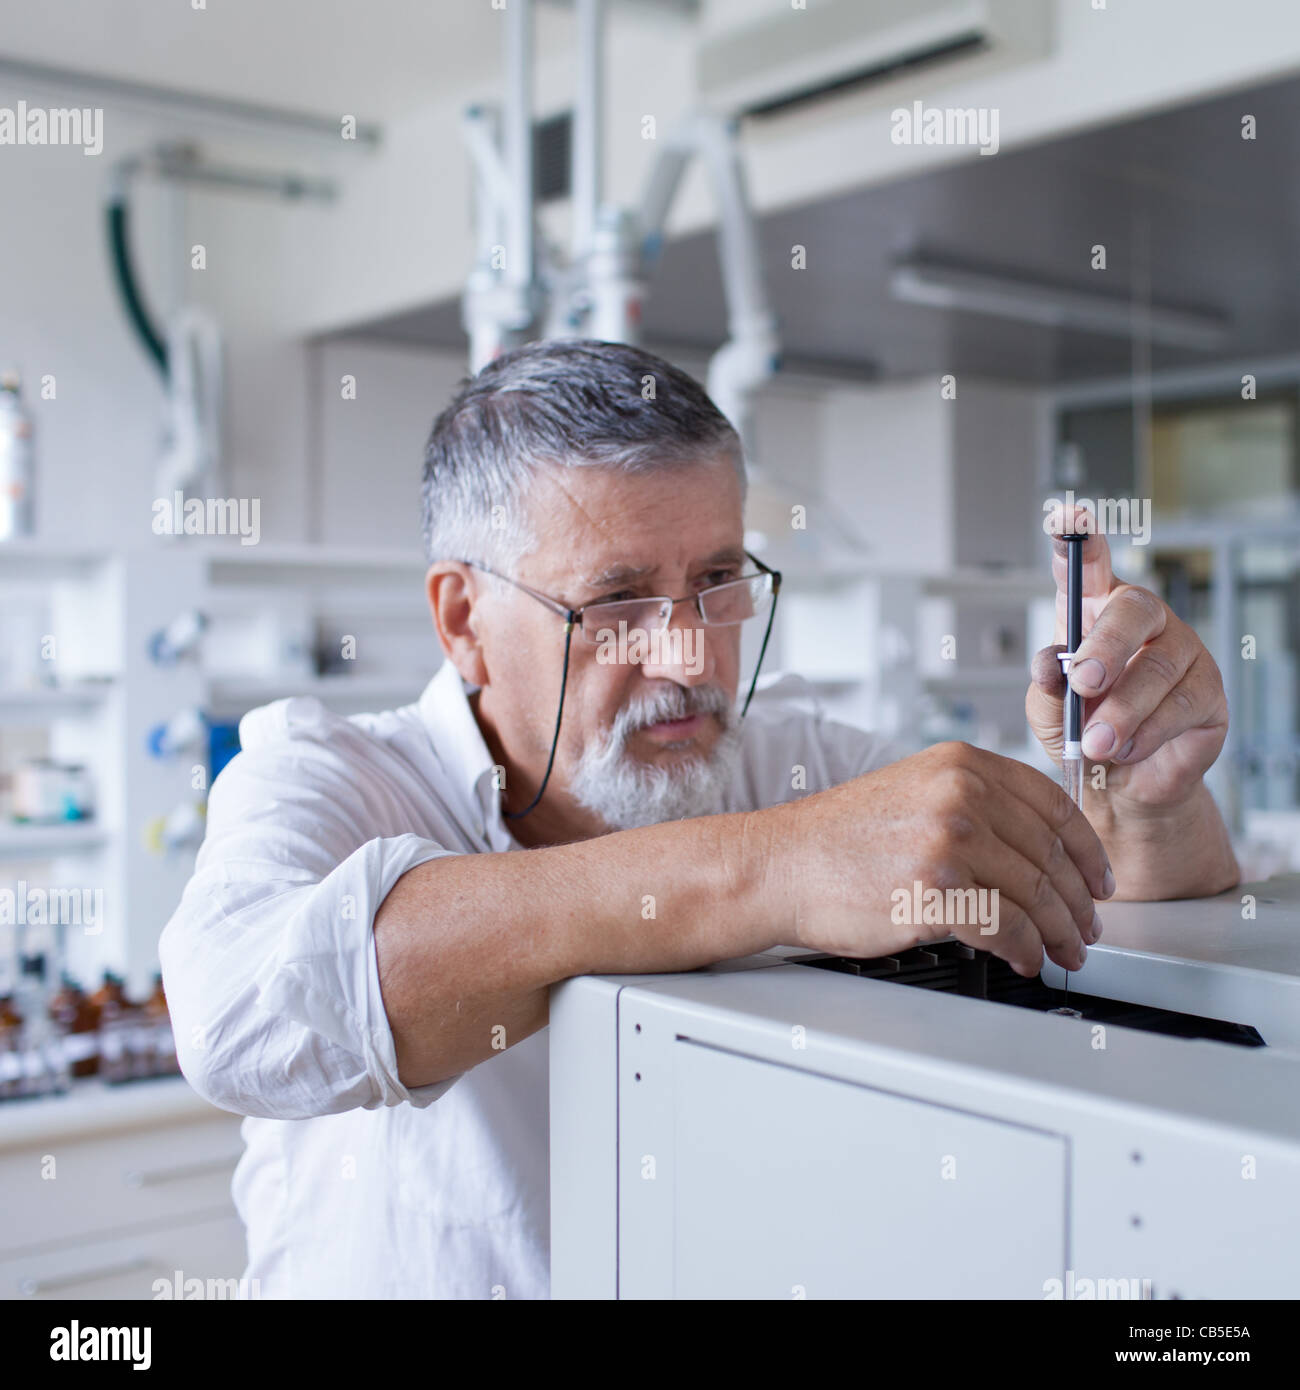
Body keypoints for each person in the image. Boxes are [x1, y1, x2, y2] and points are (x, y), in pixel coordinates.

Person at [160, 338, 1238, 1299]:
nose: (688, 657)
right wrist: (777, 868)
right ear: (463, 619)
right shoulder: (331, 773)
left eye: (718, 580)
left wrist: (1142, 790)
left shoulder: (794, 760)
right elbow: (242, 1014)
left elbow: (1115, 905)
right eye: (617, 601)